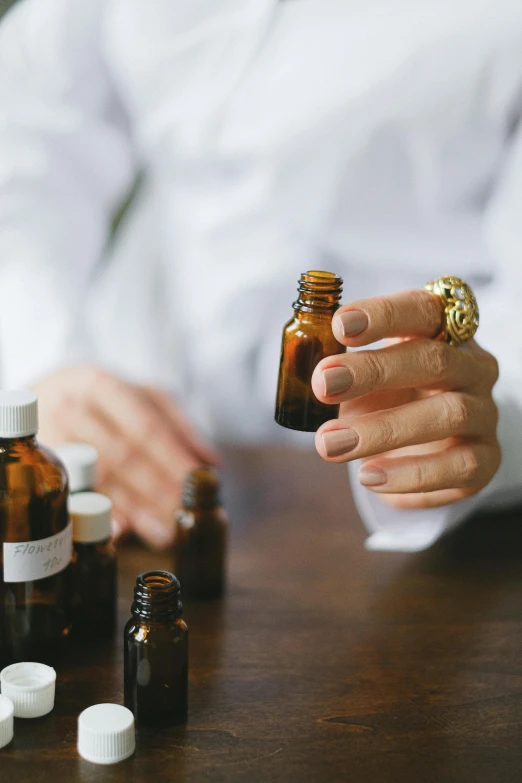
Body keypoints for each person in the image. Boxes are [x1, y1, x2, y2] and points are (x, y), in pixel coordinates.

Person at [0, 0, 521, 552]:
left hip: (370, 481)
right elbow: (27, 121)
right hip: (116, 419)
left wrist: (481, 418)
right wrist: (47, 354)